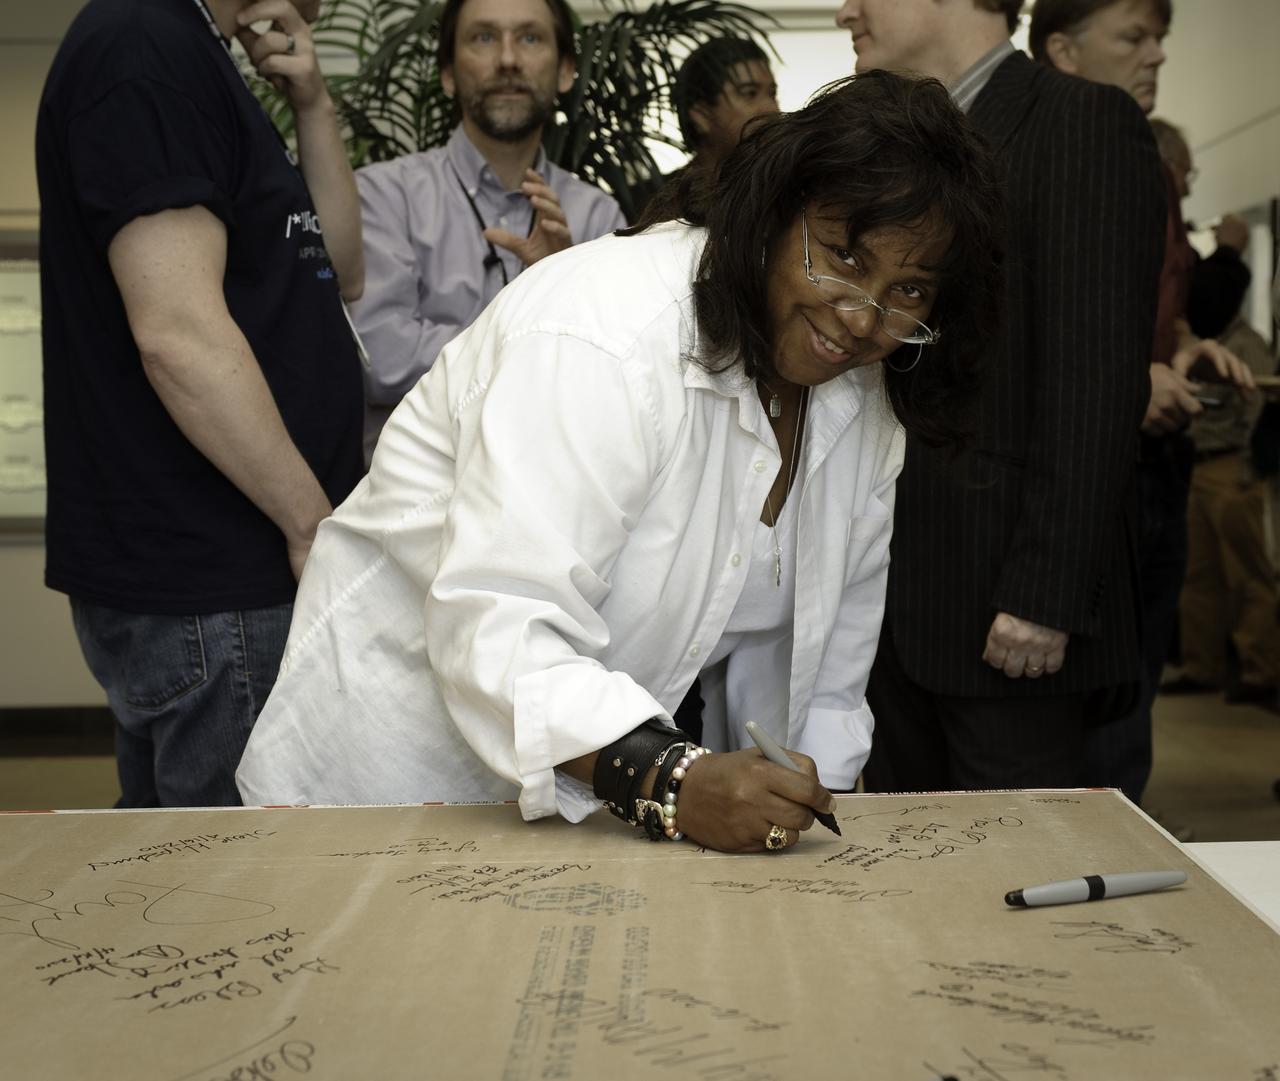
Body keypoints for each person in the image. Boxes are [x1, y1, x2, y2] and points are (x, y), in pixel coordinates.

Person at [236, 71, 1005, 853]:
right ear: (774, 213)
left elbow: (825, 664)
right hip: (387, 783)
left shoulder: (860, 393)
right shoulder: (607, 333)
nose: (862, 315)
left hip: (590, 796)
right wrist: (674, 779)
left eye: (907, 289)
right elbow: (499, 624)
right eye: (842, 255)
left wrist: (804, 810)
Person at [36, 0, 365, 806]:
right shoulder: (144, 46)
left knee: (186, 883)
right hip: (220, 583)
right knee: (236, 902)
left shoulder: (190, 53)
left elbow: (345, 271)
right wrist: (307, 523)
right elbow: (176, 333)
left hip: (225, 583)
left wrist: (313, 105)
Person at [835, 0, 1165, 792]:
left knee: (1015, 890)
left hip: (1008, 620)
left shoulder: (1081, 122)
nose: (846, 9)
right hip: (883, 611)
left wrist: (1044, 594)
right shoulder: (890, 140)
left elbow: (1096, 376)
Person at [1030, 0, 1255, 803]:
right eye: (1134, 37)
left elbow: (1153, 301)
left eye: (1161, 38)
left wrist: (1184, 343)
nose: (1157, 55)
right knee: (1087, 715)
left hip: (1158, 462)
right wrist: (1131, 376)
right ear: (1062, 49)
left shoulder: (1149, 168)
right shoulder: (1041, 156)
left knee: (1133, 695)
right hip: (1089, 471)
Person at [351, 0, 627, 462]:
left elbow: (619, 378)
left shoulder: (598, 217)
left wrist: (561, 278)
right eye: (483, 37)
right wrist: (543, 313)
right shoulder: (384, 196)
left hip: (555, 492)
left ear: (564, 72)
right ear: (447, 74)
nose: (507, 60)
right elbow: (381, 360)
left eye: (530, 38)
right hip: (410, 505)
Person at [672, 37, 780, 176]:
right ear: (701, 115)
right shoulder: (652, 196)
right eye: (750, 93)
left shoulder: (789, 192)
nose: (771, 108)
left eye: (772, 94)